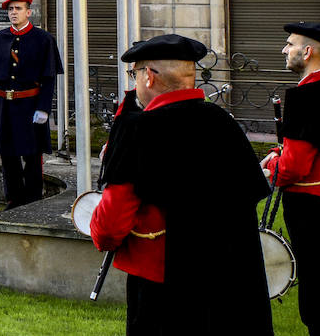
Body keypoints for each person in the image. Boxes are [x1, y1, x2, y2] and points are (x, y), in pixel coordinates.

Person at [90, 34, 272, 335]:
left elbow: (110, 224)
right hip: (231, 275)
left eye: (134, 74)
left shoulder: (138, 129)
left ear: (148, 76)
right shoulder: (225, 123)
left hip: (165, 284)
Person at [262, 22, 320, 334]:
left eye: (290, 44)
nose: (284, 50)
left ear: (307, 52)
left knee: (319, 295)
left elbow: (293, 168)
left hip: (313, 209)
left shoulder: (304, 97)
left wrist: (273, 162)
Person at [0, 0, 62, 208]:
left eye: (17, 8)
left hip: (29, 105)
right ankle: (14, 199)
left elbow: (48, 77)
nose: (13, 13)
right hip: (4, 105)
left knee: (32, 155)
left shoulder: (43, 39)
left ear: (28, 12)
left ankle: (33, 200)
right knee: (8, 156)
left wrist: (44, 108)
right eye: (10, 9)